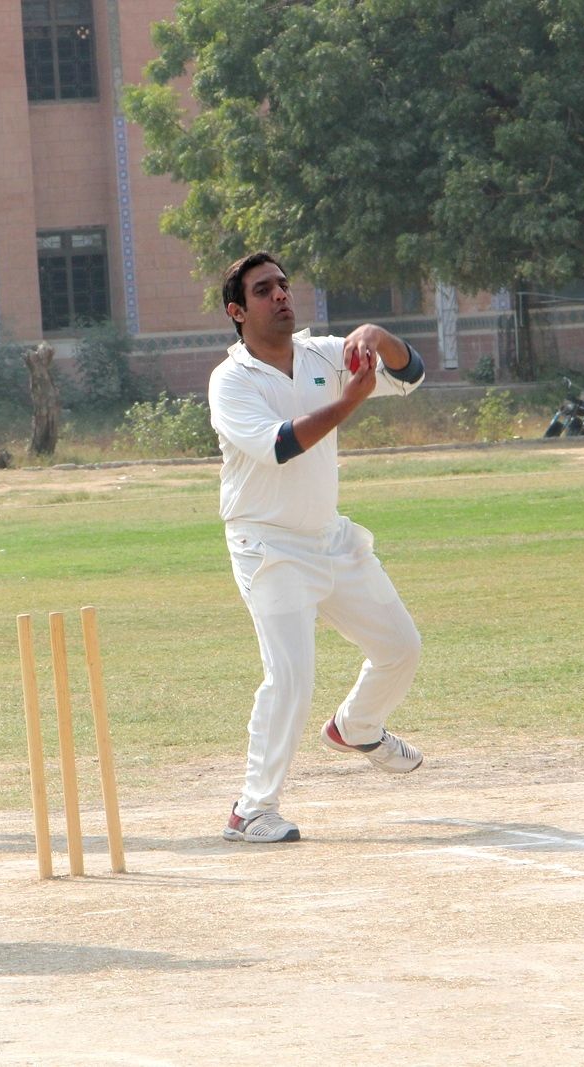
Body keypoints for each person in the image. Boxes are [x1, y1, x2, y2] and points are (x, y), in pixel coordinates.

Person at [208, 251, 427, 844]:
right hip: (267, 545)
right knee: (290, 679)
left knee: (400, 648)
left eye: (283, 285)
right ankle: (251, 810)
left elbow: (411, 376)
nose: (281, 295)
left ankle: (356, 726)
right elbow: (280, 446)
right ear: (237, 311)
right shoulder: (231, 381)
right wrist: (350, 401)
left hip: (328, 537)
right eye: (263, 290)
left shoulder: (324, 354)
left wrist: (378, 335)